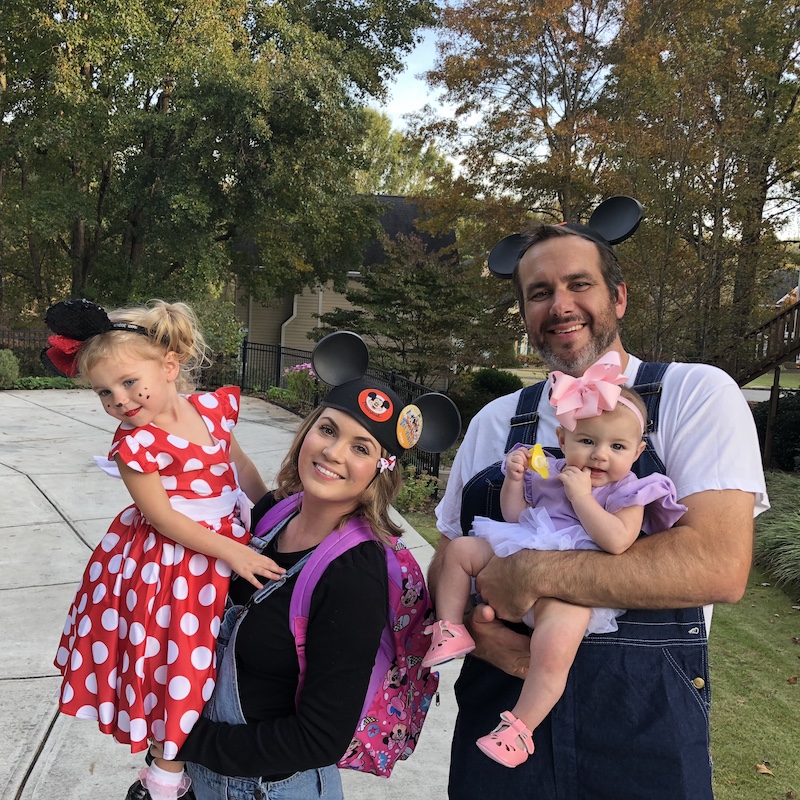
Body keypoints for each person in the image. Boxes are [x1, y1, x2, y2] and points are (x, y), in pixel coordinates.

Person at [430, 220, 769, 799]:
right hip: (501, 703)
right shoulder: (494, 422)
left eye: (578, 284)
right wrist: (477, 635)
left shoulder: (697, 395)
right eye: (539, 293)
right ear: (526, 314)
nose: (560, 306)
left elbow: (717, 565)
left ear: (618, 296)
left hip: (643, 716)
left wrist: (531, 574)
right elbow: (445, 562)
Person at [166, 334, 458, 800]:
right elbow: (231, 463)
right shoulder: (278, 513)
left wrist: (181, 739)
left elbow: (320, 738)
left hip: (271, 789)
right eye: (327, 430)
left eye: (361, 448)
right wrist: (179, 403)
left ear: (382, 468)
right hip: (201, 773)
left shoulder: (354, 575)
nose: (333, 453)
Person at [47, 299, 283, 800]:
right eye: (105, 393)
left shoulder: (213, 411)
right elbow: (162, 517)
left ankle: (182, 756)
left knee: (225, 655)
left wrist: (268, 515)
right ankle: (163, 774)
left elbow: (240, 469)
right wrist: (234, 552)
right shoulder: (137, 445)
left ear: (170, 366)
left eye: (130, 382)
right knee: (178, 662)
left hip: (223, 542)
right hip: (170, 565)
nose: (120, 400)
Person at [423, 364, 686, 768]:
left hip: (573, 586)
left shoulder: (631, 490)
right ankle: (450, 628)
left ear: (637, 452)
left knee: (552, 652)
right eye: (586, 440)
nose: (600, 454)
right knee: (460, 550)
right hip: (523, 548)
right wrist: (514, 482)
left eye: (617, 447)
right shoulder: (553, 470)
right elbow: (516, 518)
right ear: (563, 439)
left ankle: (518, 729)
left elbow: (617, 541)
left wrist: (582, 498)